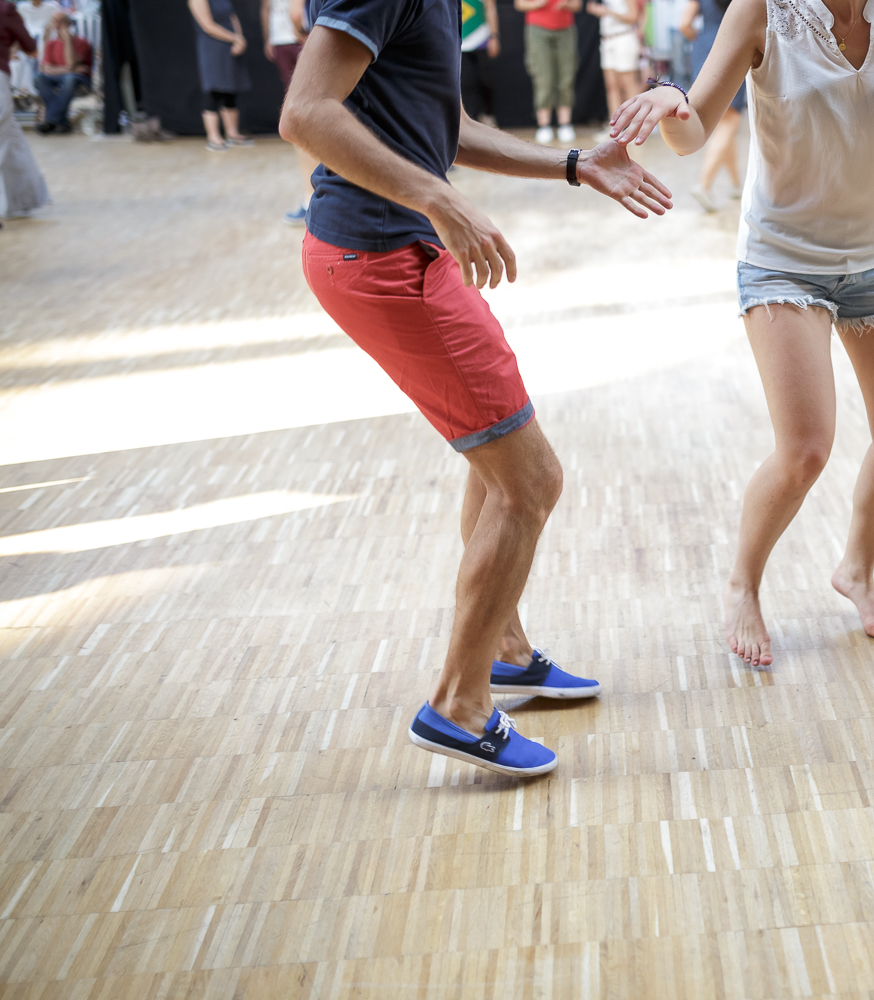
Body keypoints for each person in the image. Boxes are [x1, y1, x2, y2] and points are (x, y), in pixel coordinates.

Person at [279, 0, 672, 774]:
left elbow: (443, 124)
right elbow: (305, 111)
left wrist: (571, 164)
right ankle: (458, 704)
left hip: (403, 251)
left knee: (497, 463)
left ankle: (504, 647)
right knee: (531, 481)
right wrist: (435, 195)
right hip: (385, 259)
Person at [608, 0, 874, 664]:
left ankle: (857, 571)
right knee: (805, 452)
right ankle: (744, 584)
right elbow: (693, 129)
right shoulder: (763, 11)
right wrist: (672, 103)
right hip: (783, 258)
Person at [679, 0, 744, 210]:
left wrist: (701, 37)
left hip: (705, 48)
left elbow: (684, 25)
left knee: (724, 121)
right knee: (730, 119)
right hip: (732, 47)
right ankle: (704, 185)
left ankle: (735, 183)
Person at [263, 0, 317, 223]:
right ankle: (311, 200)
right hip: (299, 39)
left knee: (305, 120)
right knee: (306, 119)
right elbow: (295, 13)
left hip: (293, 40)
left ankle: (311, 200)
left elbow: (290, 12)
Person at [1, 0, 48, 221]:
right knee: (6, 141)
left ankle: (22, 202)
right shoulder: (5, 8)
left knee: (13, 142)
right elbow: (31, 48)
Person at [189, 0, 253, 150]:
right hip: (213, 46)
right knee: (215, 90)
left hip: (230, 46)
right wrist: (234, 38)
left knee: (231, 89)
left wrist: (240, 38)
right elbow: (207, 25)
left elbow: (232, 17)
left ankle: (233, 133)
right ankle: (214, 137)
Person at [516, 0, 580, 143]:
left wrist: (566, 5)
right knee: (543, 77)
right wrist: (539, 3)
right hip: (538, 28)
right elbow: (520, 4)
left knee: (566, 76)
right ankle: (544, 125)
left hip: (565, 28)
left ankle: (565, 123)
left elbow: (577, 5)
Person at [587, 0, 641, 136]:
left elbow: (633, 16)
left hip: (623, 38)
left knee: (628, 85)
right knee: (612, 86)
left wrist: (608, 12)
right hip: (607, 40)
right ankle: (615, 127)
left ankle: (635, 127)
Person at [33, 10, 90, 133]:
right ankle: (62, 122)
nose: (57, 25)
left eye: (61, 22)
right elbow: (46, 69)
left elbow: (71, 64)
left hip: (79, 80)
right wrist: (70, 69)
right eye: (55, 22)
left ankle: (50, 121)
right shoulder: (51, 44)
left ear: (69, 24)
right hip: (62, 77)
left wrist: (68, 42)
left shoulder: (82, 42)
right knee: (40, 78)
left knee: (69, 78)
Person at [459, 0, 500, 125]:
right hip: (460, 43)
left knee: (485, 79)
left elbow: (490, 9)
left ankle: (488, 115)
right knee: (465, 82)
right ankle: (470, 121)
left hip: (482, 40)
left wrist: (494, 37)